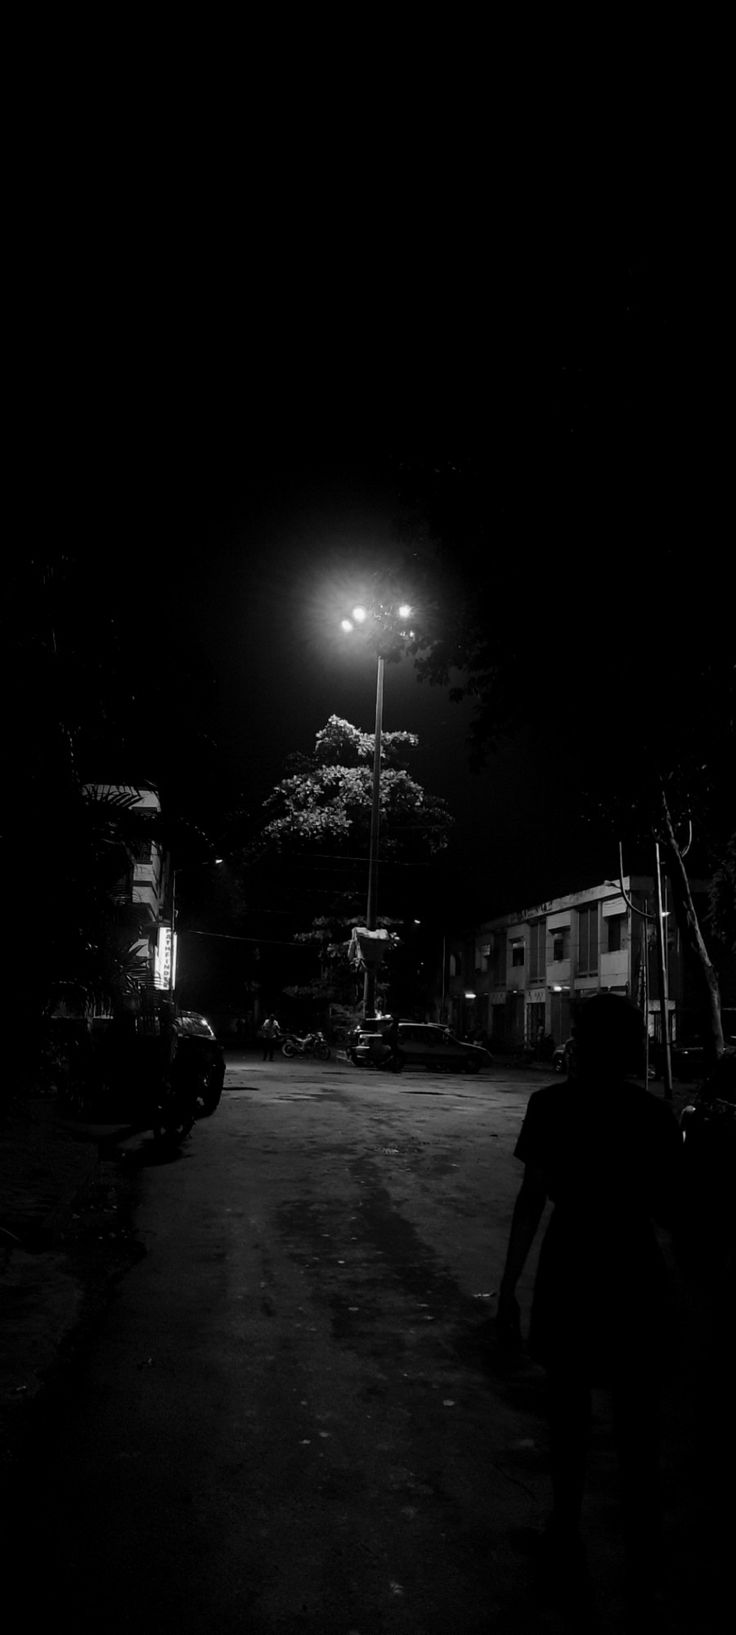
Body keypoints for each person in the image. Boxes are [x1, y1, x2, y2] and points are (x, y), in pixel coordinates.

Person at [496, 992, 684, 1618]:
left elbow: (532, 1200)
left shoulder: (551, 1106)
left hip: (572, 1264)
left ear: (581, 1042)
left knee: (570, 1412)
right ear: (631, 1049)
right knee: (637, 1425)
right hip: (632, 1270)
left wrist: (507, 1290)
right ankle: (644, 1555)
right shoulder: (655, 1117)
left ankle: (566, 1525)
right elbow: (673, 1213)